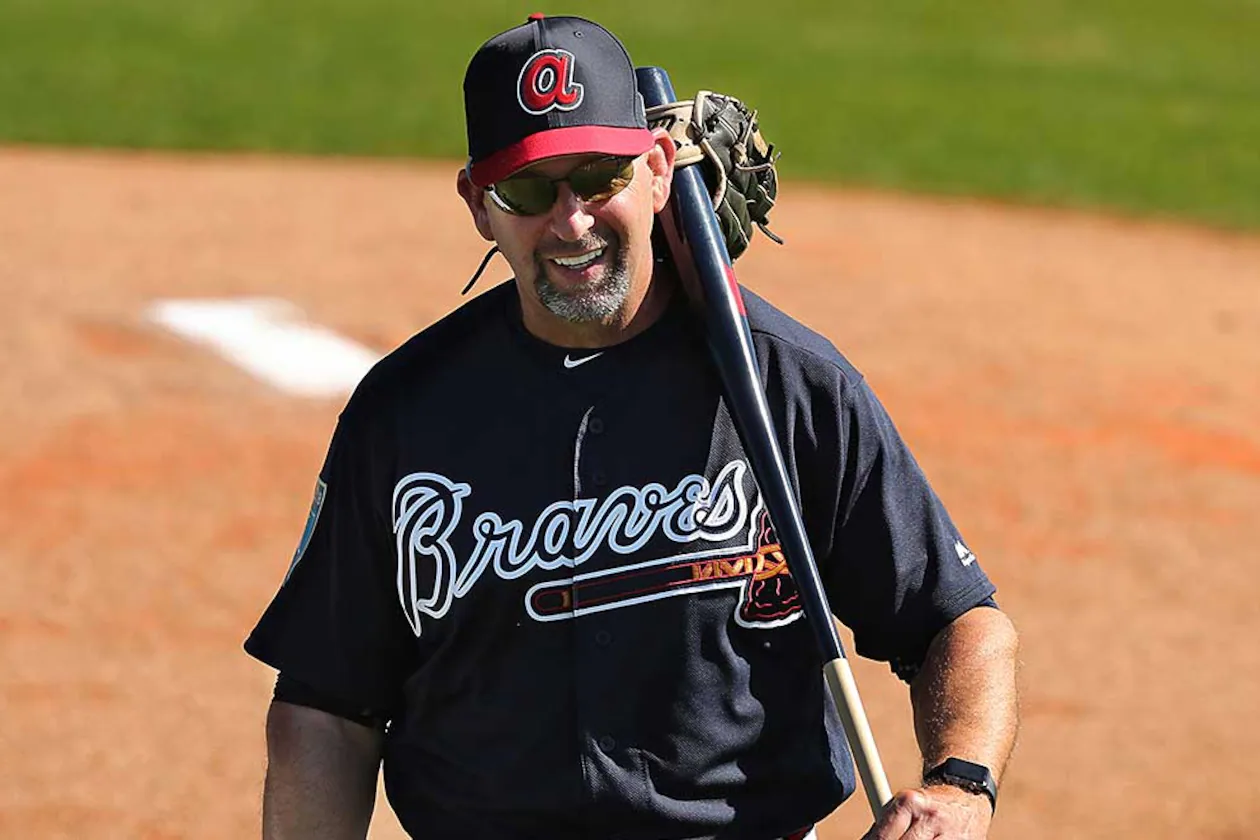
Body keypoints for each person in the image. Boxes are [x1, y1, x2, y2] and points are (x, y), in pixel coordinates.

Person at [245, 14, 1019, 840]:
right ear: (479, 205)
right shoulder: (405, 414)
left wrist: (960, 786)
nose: (571, 220)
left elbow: (955, 619)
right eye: (531, 190)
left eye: (600, 175)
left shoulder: (784, 381)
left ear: (656, 172)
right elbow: (326, 706)